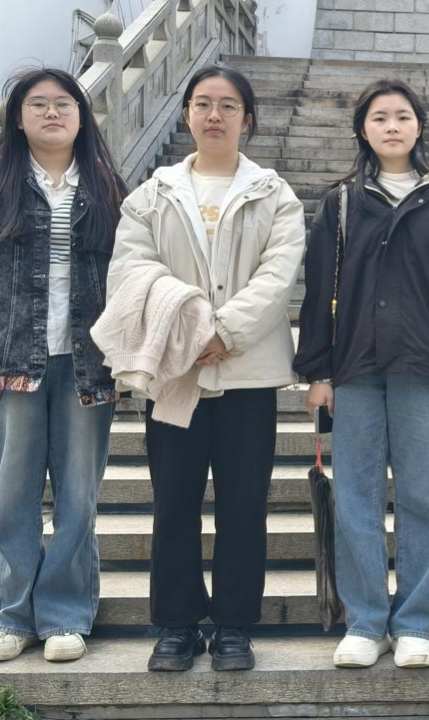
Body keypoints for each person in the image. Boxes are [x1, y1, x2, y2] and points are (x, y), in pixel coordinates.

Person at [106, 65, 306, 673]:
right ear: (187, 114)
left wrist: (225, 331)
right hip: (176, 373)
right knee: (173, 503)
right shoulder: (152, 194)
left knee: (244, 504)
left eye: (227, 105)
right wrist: (193, 334)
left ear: (248, 119)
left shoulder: (275, 194)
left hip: (247, 376)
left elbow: (279, 274)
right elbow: (131, 270)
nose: (214, 115)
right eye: (202, 103)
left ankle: (234, 627)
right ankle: (176, 625)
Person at [295, 80, 429, 670]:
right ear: (363, 129)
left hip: (423, 368)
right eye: (379, 117)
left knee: (425, 495)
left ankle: (416, 623)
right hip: (355, 367)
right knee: (355, 497)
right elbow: (318, 290)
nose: (391, 126)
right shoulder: (341, 202)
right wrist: (317, 370)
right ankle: (365, 622)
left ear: (419, 127)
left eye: (402, 116)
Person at [0, 68, 127, 664]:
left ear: (82, 116)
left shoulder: (108, 188)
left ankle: (66, 614)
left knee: (78, 494)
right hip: (6, 359)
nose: (51, 113)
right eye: (37, 104)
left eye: (63, 103)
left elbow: (133, 277)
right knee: (13, 494)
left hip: (88, 361)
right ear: (17, 118)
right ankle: (12, 616)